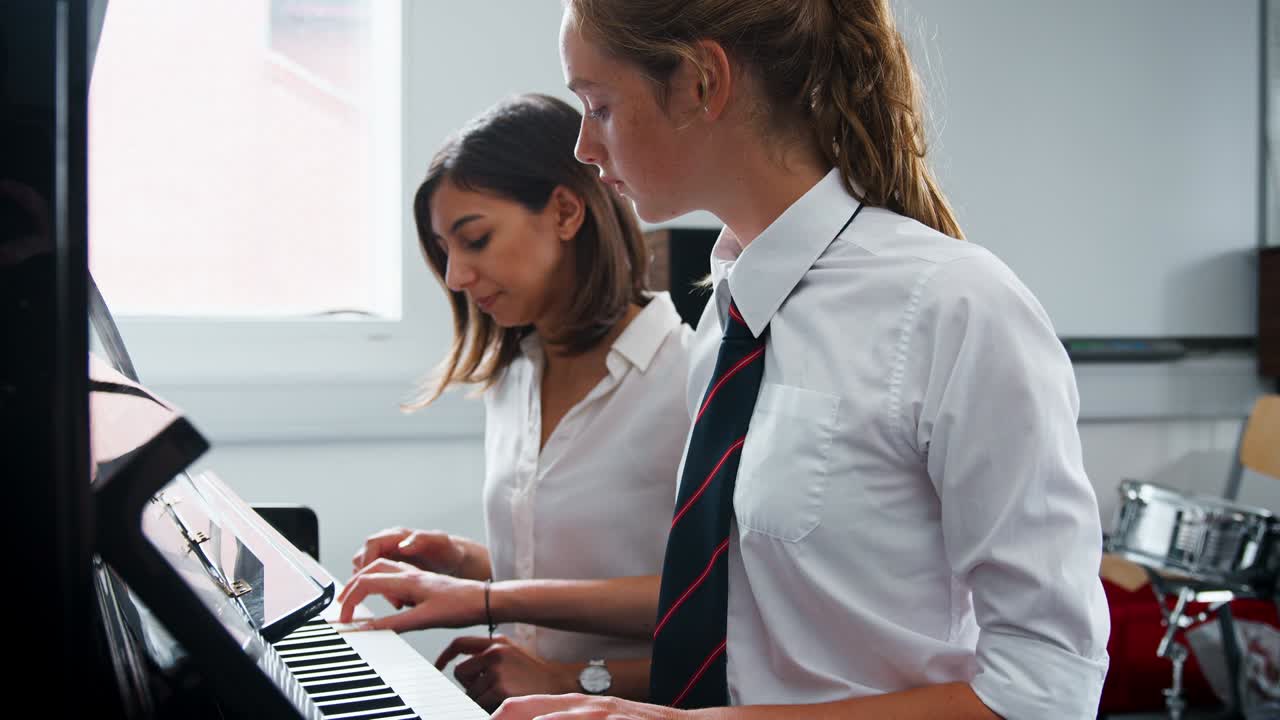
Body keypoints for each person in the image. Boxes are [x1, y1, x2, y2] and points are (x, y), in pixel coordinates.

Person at [493, 1, 1110, 718]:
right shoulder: (725, 321)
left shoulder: (955, 307)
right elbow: (743, 634)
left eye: (599, 106)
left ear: (700, 82)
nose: (583, 146)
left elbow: (1045, 689)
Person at [337, 93, 691, 711]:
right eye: (445, 250)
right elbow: (569, 571)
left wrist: (569, 678)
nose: (455, 276)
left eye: (475, 239)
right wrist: (461, 561)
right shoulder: (514, 377)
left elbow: (717, 608)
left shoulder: (688, 376)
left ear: (565, 211)